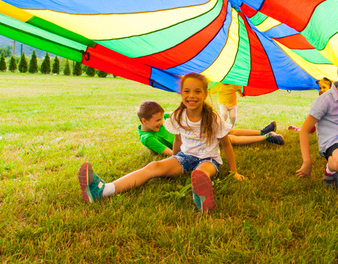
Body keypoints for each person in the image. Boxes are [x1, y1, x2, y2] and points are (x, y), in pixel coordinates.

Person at [78, 73, 245, 212]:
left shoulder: (213, 118)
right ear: (181, 93)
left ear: (205, 94)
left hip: (208, 160)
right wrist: (172, 161)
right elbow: (178, 141)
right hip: (185, 158)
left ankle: (202, 198)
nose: (191, 95)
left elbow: (226, 145)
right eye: (187, 91)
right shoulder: (178, 116)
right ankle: (103, 190)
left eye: (197, 91)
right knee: (153, 167)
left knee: (200, 172)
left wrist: (233, 171)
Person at [137, 100, 283, 154]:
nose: (162, 122)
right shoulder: (149, 138)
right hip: (196, 143)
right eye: (157, 120)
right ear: (144, 121)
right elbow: (171, 153)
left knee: (227, 130)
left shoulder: (161, 120)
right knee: (230, 139)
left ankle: (262, 131)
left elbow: (177, 114)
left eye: (161, 118)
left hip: (198, 132)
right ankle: (266, 137)